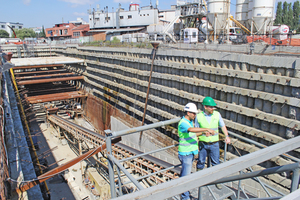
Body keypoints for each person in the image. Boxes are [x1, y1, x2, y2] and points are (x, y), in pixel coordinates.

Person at [178, 102, 215, 200]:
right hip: (185, 154)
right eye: (193, 113)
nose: (195, 115)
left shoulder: (189, 122)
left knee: (185, 175)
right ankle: (185, 197)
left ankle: (181, 191)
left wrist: (203, 133)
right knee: (186, 177)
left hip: (190, 153)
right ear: (188, 113)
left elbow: (192, 135)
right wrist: (207, 128)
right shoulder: (183, 123)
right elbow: (191, 130)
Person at [195, 97, 231, 190]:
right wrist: (203, 133)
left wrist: (226, 136)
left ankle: (216, 181)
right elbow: (196, 132)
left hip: (215, 143)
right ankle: (198, 179)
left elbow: (222, 126)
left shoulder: (217, 115)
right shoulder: (199, 116)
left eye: (213, 107)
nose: (213, 109)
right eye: (211, 107)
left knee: (216, 162)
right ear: (205, 107)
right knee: (201, 161)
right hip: (203, 144)